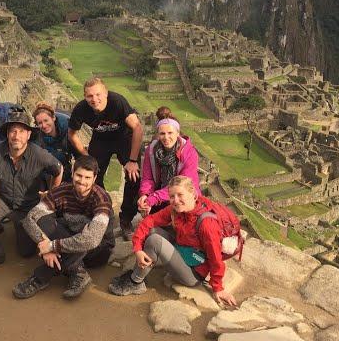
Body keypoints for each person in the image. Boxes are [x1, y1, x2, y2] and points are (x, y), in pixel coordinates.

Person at [108, 175, 238, 307]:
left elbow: (216, 259)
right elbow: (150, 221)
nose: (175, 200)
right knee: (152, 231)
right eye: (172, 196)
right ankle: (146, 263)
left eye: (180, 195)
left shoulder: (206, 225)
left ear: (193, 194)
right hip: (184, 250)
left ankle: (136, 282)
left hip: (193, 272)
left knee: (155, 241)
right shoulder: (177, 210)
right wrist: (137, 248)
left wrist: (218, 288)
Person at [0, 110, 63, 275]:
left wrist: (51, 193)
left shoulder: (39, 154)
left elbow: (58, 169)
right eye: (13, 131)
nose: (16, 135)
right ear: (7, 134)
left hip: (28, 204)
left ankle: (19, 224)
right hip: (3, 199)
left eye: (22, 131)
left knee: (26, 252)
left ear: (29, 134)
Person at [13, 155, 115, 299]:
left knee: (84, 240)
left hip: (98, 250)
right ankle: (78, 272)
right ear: (72, 173)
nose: (82, 181)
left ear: (94, 178)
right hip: (72, 236)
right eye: (79, 175)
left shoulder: (101, 198)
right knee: (43, 220)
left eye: (87, 177)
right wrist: (46, 247)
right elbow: (30, 218)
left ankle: (40, 278)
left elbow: (92, 240)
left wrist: (52, 246)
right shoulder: (61, 191)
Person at [67, 77, 143, 241]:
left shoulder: (117, 102)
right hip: (101, 139)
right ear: (85, 97)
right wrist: (85, 155)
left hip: (124, 138)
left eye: (98, 94)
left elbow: (137, 127)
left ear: (106, 93)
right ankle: (103, 210)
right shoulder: (81, 109)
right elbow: (72, 134)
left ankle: (126, 219)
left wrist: (133, 161)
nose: (94, 99)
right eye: (89, 96)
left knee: (134, 176)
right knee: (92, 176)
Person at [138, 107, 201, 217]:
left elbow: (182, 186)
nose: (166, 137)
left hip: (184, 198)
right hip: (162, 196)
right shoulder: (152, 150)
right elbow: (148, 178)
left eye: (170, 133)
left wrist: (153, 198)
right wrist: (145, 195)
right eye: (162, 133)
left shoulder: (189, 153)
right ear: (158, 134)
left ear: (178, 133)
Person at [31, 102, 73, 183]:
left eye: (46, 120)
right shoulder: (36, 139)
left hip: (65, 172)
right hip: (46, 177)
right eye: (40, 123)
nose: (44, 125)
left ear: (53, 118)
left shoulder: (67, 131)